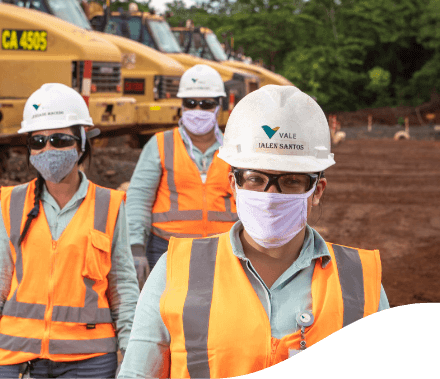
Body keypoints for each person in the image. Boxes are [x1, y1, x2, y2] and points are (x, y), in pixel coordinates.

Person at [118, 85, 389, 378]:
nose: (271, 196)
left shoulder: (359, 282)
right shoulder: (175, 270)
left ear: (317, 190)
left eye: (291, 181)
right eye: (255, 179)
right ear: (233, 183)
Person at [0, 83, 139, 379]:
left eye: (59, 140)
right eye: (38, 141)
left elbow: (122, 288)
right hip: (17, 357)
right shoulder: (13, 203)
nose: (48, 149)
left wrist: (132, 355)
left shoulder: (109, 205)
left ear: (82, 142)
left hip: (90, 360)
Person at [126, 64, 238, 287]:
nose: (198, 110)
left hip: (225, 250)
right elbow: (138, 197)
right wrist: (136, 247)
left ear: (219, 106)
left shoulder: (235, 148)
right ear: (182, 106)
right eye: (191, 103)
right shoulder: (160, 144)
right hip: (167, 250)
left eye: (206, 104)